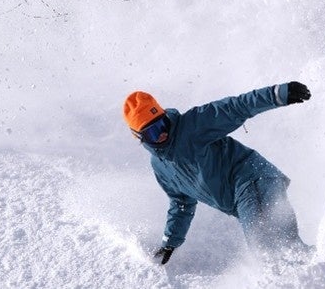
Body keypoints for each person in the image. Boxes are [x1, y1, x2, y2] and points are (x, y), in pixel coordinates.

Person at [122, 82, 312, 265]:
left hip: (252, 179)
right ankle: (322, 267)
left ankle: (309, 272)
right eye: (153, 132)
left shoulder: (191, 126)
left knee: (267, 250)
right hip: (244, 197)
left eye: (163, 123)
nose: (163, 132)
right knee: (287, 249)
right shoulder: (160, 167)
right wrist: (169, 244)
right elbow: (181, 203)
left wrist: (277, 94)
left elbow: (234, 108)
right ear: (140, 137)